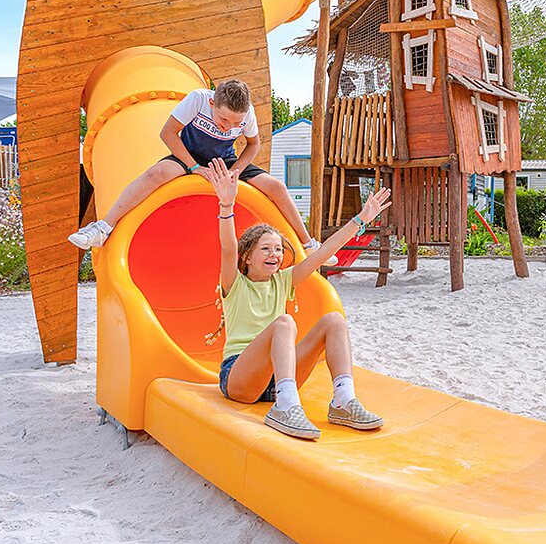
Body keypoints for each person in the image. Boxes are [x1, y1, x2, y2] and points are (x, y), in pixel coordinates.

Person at [209, 157, 391, 440]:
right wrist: (226, 205)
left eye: (278, 249)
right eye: (265, 249)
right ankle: (285, 406)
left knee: (334, 320)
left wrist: (361, 220)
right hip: (241, 378)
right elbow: (228, 248)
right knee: (284, 323)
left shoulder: (283, 280)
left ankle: (343, 400)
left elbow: (323, 252)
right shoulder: (235, 284)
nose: (274, 254)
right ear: (247, 257)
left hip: (278, 379)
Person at [69, 79, 325, 256]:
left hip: (224, 161)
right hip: (189, 154)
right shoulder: (199, 99)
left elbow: (253, 144)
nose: (228, 127)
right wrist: (192, 167)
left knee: (277, 187)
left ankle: (308, 244)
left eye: (234, 123)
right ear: (213, 104)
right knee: (155, 174)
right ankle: (103, 227)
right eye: (223, 119)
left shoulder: (247, 113)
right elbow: (168, 133)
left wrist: (235, 170)